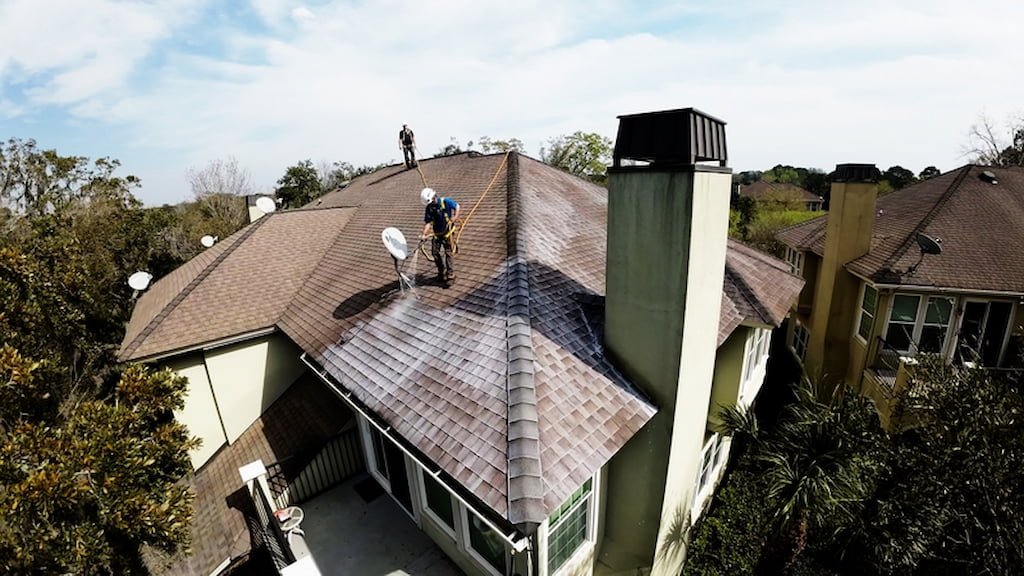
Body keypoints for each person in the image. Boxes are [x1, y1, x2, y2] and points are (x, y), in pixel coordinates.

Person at [420, 187, 459, 282]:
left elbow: (457, 206)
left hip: (447, 232)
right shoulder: (429, 208)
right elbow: (428, 223)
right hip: (437, 234)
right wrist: (424, 234)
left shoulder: (445, 201)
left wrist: (455, 217)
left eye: (432, 200)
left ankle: (450, 274)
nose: (431, 203)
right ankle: (441, 271)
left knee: (448, 252)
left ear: (434, 196)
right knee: (435, 253)